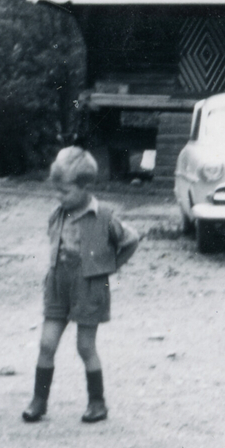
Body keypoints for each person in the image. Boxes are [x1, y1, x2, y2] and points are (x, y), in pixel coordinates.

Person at [22, 146, 140, 425]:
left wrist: (109, 267)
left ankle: (97, 403)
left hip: (89, 288)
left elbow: (131, 240)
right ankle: (39, 401)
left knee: (85, 347)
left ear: (86, 187)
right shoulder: (58, 214)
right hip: (58, 285)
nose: (58, 197)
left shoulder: (104, 217)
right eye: (57, 191)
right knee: (46, 343)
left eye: (65, 192)